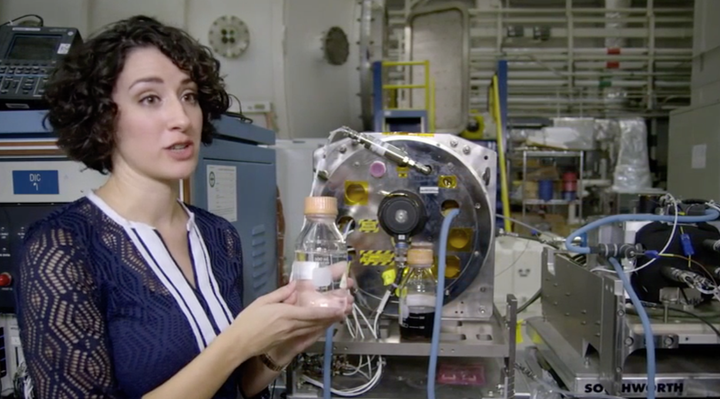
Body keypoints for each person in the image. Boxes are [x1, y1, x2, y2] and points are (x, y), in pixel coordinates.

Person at [15, 15, 352, 399]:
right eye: (150, 99)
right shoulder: (62, 247)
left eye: (188, 96)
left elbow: (233, 387)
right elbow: (228, 355)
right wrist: (239, 342)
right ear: (102, 118)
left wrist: (289, 338)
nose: (181, 118)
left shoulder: (216, 235)